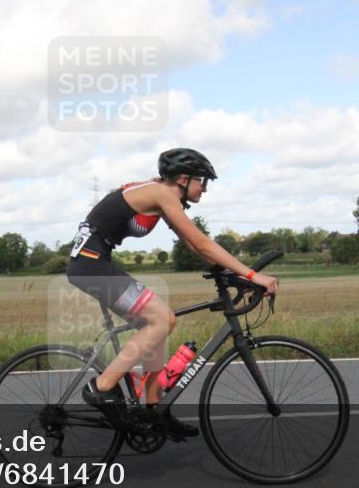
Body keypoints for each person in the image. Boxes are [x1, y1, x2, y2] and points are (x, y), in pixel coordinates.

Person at [66, 148, 279, 438]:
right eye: (202, 181)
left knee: (157, 323)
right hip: (91, 264)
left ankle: (156, 411)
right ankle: (102, 387)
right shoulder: (162, 193)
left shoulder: (163, 195)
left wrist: (227, 272)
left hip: (93, 261)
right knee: (161, 319)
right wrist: (252, 275)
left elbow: (191, 244)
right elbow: (202, 243)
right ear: (182, 178)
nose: (204, 188)